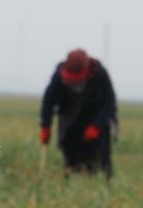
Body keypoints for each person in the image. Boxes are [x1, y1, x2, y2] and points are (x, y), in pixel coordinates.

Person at [39, 48, 118, 177]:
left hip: (96, 118)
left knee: (100, 157)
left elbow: (109, 103)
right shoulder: (58, 75)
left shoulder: (99, 73)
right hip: (69, 119)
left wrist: (96, 126)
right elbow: (48, 101)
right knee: (70, 152)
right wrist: (45, 126)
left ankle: (103, 183)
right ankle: (70, 178)